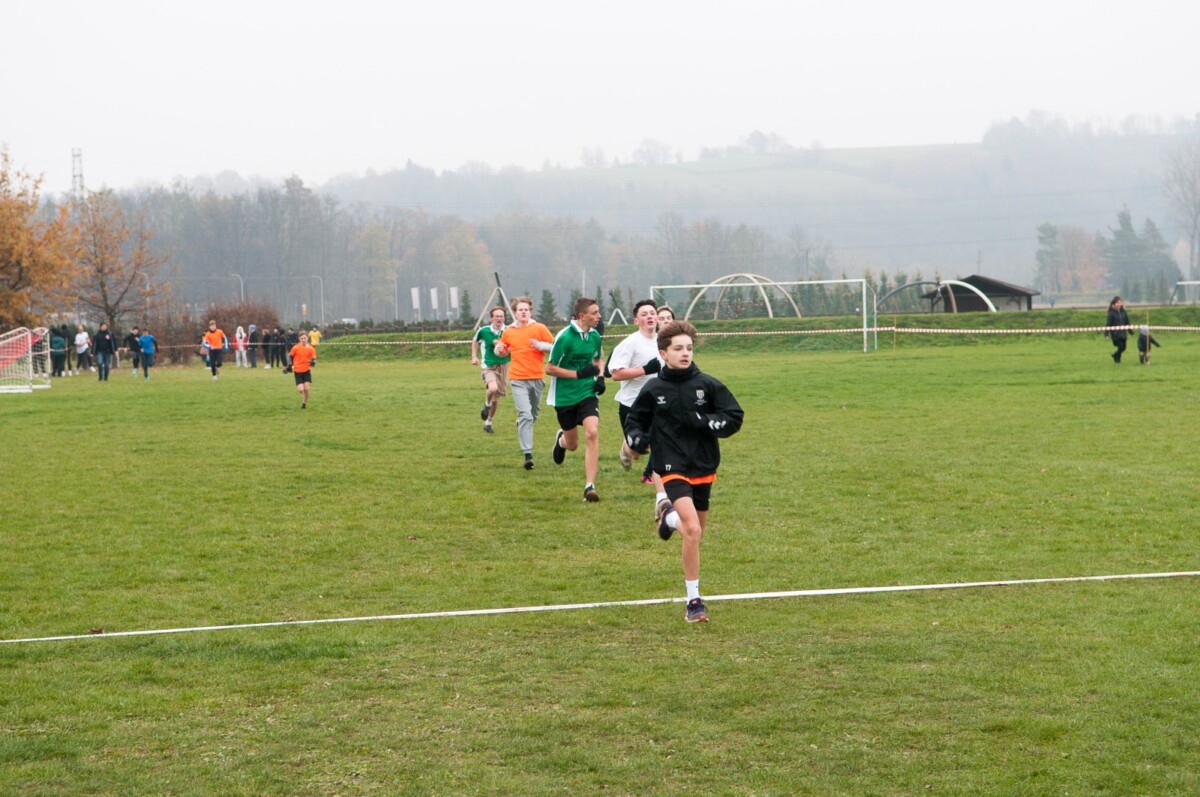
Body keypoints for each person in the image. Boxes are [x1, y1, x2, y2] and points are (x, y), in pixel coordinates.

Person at [624, 320, 744, 623]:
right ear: (663, 353)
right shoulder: (654, 389)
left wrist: (705, 421)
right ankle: (693, 602)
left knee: (695, 533)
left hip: (703, 465)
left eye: (689, 348)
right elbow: (636, 420)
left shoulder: (708, 385)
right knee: (692, 530)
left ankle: (668, 518)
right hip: (670, 466)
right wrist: (636, 438)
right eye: (678, 348)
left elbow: (734, 416)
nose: (685, 353)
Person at [608, 299, 672, 520]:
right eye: (644, 314)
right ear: (636, 320)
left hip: (658, 404)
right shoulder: (630, 343)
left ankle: (661, 499)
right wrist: (644, 370)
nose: (650, 316)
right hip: (631, 405)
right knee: (636, 453)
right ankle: (626, 449)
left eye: (652, 313)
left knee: (659, 449)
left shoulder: (664, 341)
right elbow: (615, 374)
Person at [546, 297, 605, 502]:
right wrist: (578, 374)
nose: (599, 316)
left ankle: (590, 487)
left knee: (592, 432)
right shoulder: (565, 337)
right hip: (564, 397)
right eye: (594, 313)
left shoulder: (594, 335)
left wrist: (600, 377)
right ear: (582, 316)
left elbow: (597, 358)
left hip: (587, 392)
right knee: (573, 444)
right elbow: (549, 368)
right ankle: (561, 441)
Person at [496, 295, 554, 470]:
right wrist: (499, 350)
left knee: (533, 415)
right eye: (520, 310)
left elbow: (556, 348)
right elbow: (503, 351)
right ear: (515, 312)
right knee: (526, 415)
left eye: (526, 310)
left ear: (530, 312)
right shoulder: (509, 331)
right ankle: (528, 454)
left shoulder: (539, 328)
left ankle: (521, 423)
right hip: (517, 379)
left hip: (537, 378)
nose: (523, 312)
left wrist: (541, 345)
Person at [471, 305, 510, 433]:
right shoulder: (484, 330)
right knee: (492, 388)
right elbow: (475, 340)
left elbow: (514, 346)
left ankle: (488, 422)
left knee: (496, 400)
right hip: (488, 366)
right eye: (497, 316)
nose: (499, 318)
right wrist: (474, 356)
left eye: (501, 316)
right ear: (491, 318)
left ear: (504, 318)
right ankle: (486, 404)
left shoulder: (509, 331)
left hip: (503, 366)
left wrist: (504, 348)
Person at [288, 331, 317, 408]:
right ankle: (303, 394)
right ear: (299, 339)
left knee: (306, 388)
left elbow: (314, 359)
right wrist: (289, 365)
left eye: (305, 338)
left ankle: (304, 403)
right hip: (298, 371)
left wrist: (313, 362)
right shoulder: (296, 347)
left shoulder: (311, 348)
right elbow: (290, 356)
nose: (303, 340)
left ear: (307, 338)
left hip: (306, 371)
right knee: (301, 390)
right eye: (302, 338)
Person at [1105, 296, 1130, 363]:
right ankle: (1118, 360)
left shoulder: (1123, 312)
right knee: (1120, 346)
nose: (1119, 304)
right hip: (1115, 334)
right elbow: (1108, 324)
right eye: (1117, 303)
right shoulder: (1111, 313)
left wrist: (1130, 331)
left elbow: (1127, 322)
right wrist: (1106, 334)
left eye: (1120, 302)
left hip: (1123, 334)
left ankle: (1115, 355)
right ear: (1114, 304)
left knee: (1123, 348)